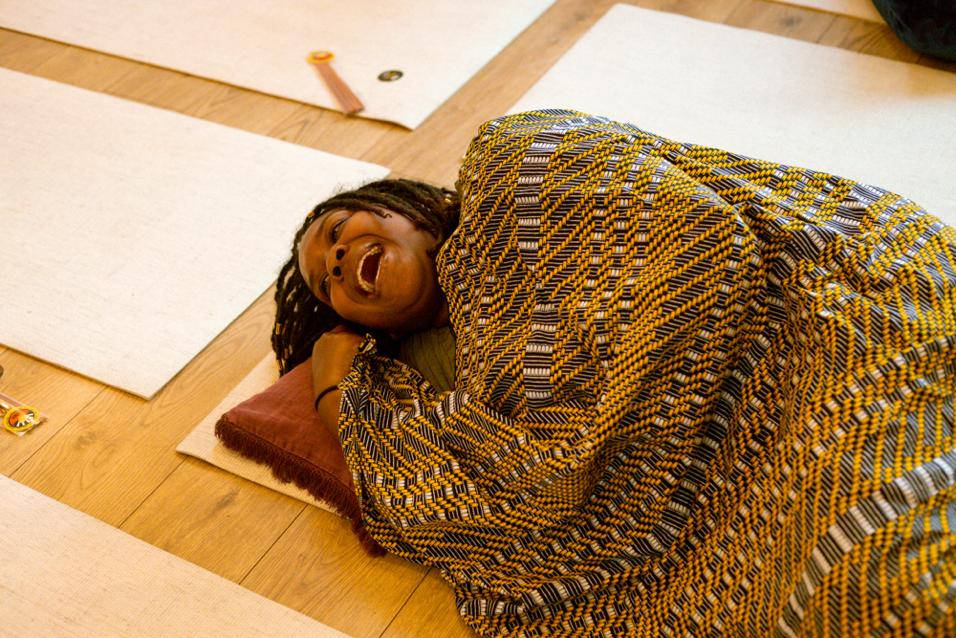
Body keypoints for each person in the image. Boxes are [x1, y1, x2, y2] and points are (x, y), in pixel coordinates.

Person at [274, 109, 956, 636]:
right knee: (872, 584)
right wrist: (335, 389)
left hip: (804, 330)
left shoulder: (514, 169)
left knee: (891, 543)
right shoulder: (416, 382)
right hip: (707, 520)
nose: (335, 260)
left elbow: (700, 234)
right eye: (325, 280)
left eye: (338, 231)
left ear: (404, 208)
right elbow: (455, 502)